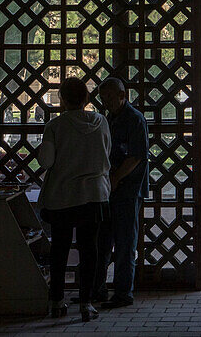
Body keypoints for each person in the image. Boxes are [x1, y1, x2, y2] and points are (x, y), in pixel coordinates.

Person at [37, 76, 111, 322]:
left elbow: (45, 161)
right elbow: (106, 154)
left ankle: (57, 302)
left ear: (62, 99)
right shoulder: (101, 123)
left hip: (62, 196)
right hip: (94, 194)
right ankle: (87, 303)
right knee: (89, 249)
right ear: (86, 98)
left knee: (60, 248)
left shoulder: (55, 127)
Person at [93, 78, 149, 309]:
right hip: (109, 190)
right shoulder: (108, 118)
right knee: (102, 241)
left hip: (128, 190)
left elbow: (137, 156)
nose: (105, 102)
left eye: (108, 97)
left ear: (121, 95)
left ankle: (123, 292)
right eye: (102, 98)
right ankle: (97, 289)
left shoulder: (134, 119)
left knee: (126, 243)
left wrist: (117, 178)